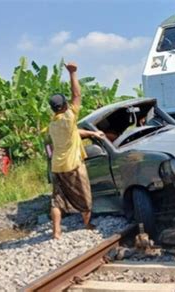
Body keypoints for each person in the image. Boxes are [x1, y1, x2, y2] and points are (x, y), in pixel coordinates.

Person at [48, 62, 105, 239]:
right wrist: (73, 73)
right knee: (85, 198)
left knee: (57, 200)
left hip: (57, 166)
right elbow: (77, 94)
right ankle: (87, 224)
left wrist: (93, 133)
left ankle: (56, 233)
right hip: (73, 165)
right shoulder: (68, 116)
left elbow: (74, 133)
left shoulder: (53, 123)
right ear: (65, 105)